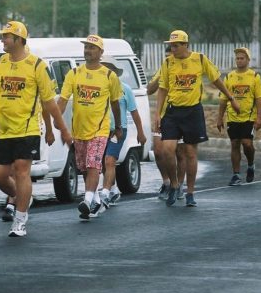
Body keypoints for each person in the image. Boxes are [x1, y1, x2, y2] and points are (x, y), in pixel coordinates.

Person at [0, 21, 71, 237]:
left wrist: (61, 129)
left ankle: (20, 220)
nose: (2, 40)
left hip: (27, 130)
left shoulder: (37, 66)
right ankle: (24, 198)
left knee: (21, 170)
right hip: (2, 130)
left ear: (18, 39)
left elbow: (49, 102)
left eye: (6, 37)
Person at [154, 30, 239, 207]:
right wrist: (157, 114)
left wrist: (231, 98)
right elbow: (162, 89)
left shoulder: (199, 59)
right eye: (171, 45)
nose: (173, 49)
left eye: (176, 45)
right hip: (172, 111)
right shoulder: (168, 63)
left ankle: (190, 192)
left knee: (190, 153)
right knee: (167, 150)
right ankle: (175, 184)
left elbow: (216, 80)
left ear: (186, 45)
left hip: (193, 111)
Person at [57, 34, 123, 221]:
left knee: (93, 164)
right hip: (79, 130)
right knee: (84, 168)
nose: (88, 50)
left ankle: (86, 200)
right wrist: (58, 121)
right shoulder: (74, 74)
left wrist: (118, 126)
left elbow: (116, 104)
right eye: (86, 47)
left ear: (101, 52)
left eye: (92, 48)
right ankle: (95, 200)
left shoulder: (109, 76)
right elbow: (62, 100)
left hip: (100, 129)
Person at [98, 56, 147, 208]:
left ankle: (104, 194)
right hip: (100, 130)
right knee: (103, 163)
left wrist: (140, 132)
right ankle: (113, 190)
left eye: (108, 68)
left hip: (118, 130)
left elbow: (134, 112)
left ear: (114, 72)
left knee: (109, 161)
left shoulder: (125, 89)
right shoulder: (98, 88)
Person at [216, 47, 261, 186]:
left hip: (248, 117)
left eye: (242, 58)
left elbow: (259, 98)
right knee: (235, 144)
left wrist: (259, 117)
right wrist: (219, 118)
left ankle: (250, 164)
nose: (239, 60)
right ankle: (236, 174)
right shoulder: (229, 77)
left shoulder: (254, 76)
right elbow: (223, 99)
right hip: (232, 117)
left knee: (247, 143)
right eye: (237, 58)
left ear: (248, 60)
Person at [147, 46, 187, 200]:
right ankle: (167, 182)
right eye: (167, 55)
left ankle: (180, 184)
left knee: (179, 152)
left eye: (172, 52)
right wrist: (161, 76)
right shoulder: (163, 68)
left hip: (180, 115)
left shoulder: (186, 69)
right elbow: (149, 90)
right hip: (163, 116)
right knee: (158, 151)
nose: (170, 56)